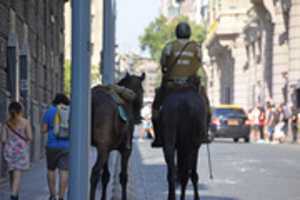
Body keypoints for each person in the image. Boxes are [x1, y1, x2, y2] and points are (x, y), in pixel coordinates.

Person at [151, 22, 210, 147]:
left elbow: (163, 63)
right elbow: (199, 62)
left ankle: (158, 137)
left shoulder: (169, 47)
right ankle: (204, 132)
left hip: (171, 86)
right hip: (191, 85)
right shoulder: (196, 47)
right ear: (189, 33)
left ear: (176, 33)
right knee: (205, 105)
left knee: (156, 107)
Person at [0, 102, 32, 200]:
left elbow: (3, 139)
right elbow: (30, 137)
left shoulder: (6, 123)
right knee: (17, 174)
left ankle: (15, 194)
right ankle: (13, 196)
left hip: (9, 151)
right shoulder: (25, 122)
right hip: (20, 151)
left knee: (12, 174)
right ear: (20, 111)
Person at [42, 94, 70, 200]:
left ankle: (53, 195)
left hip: (52, 145)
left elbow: (43, 130)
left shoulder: (50, 111)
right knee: (64, 171)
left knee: (51, 170)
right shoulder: (70, 111)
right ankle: (61, 197)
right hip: (66, 146)